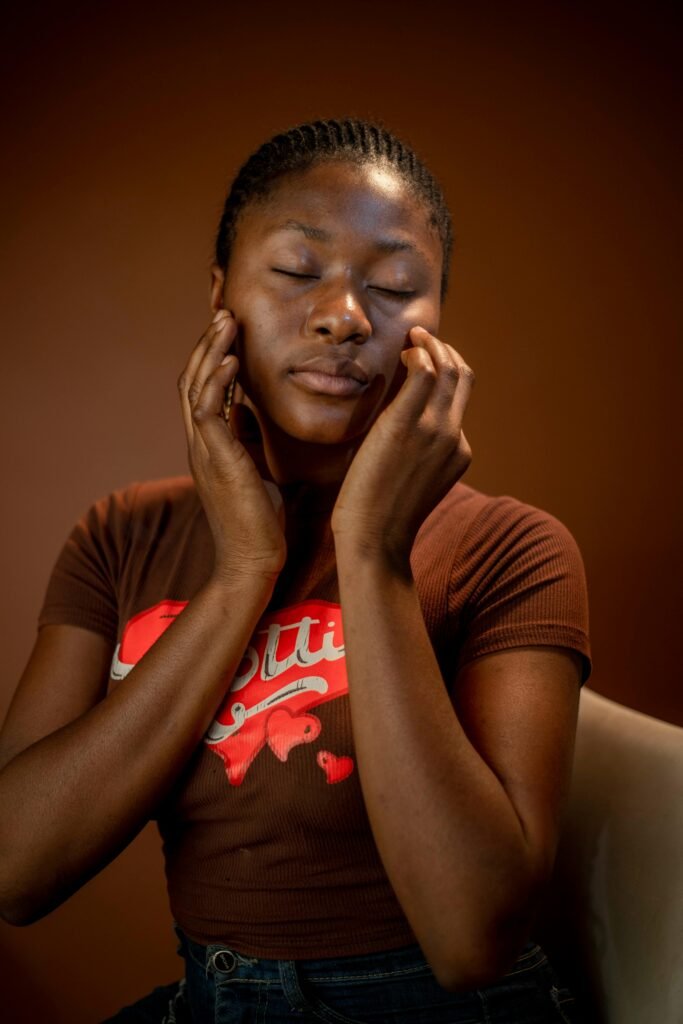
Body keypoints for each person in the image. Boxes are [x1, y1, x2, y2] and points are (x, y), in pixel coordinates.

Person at [0, 118, 590, 1023]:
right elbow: (16, 868)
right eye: (295, 270)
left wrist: (371, 551)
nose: (344, 316)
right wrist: (243, 569)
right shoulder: (121, 536)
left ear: (436, 331)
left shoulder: (514, 549)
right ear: (220, 295)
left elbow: (474, 939)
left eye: (394, 286)